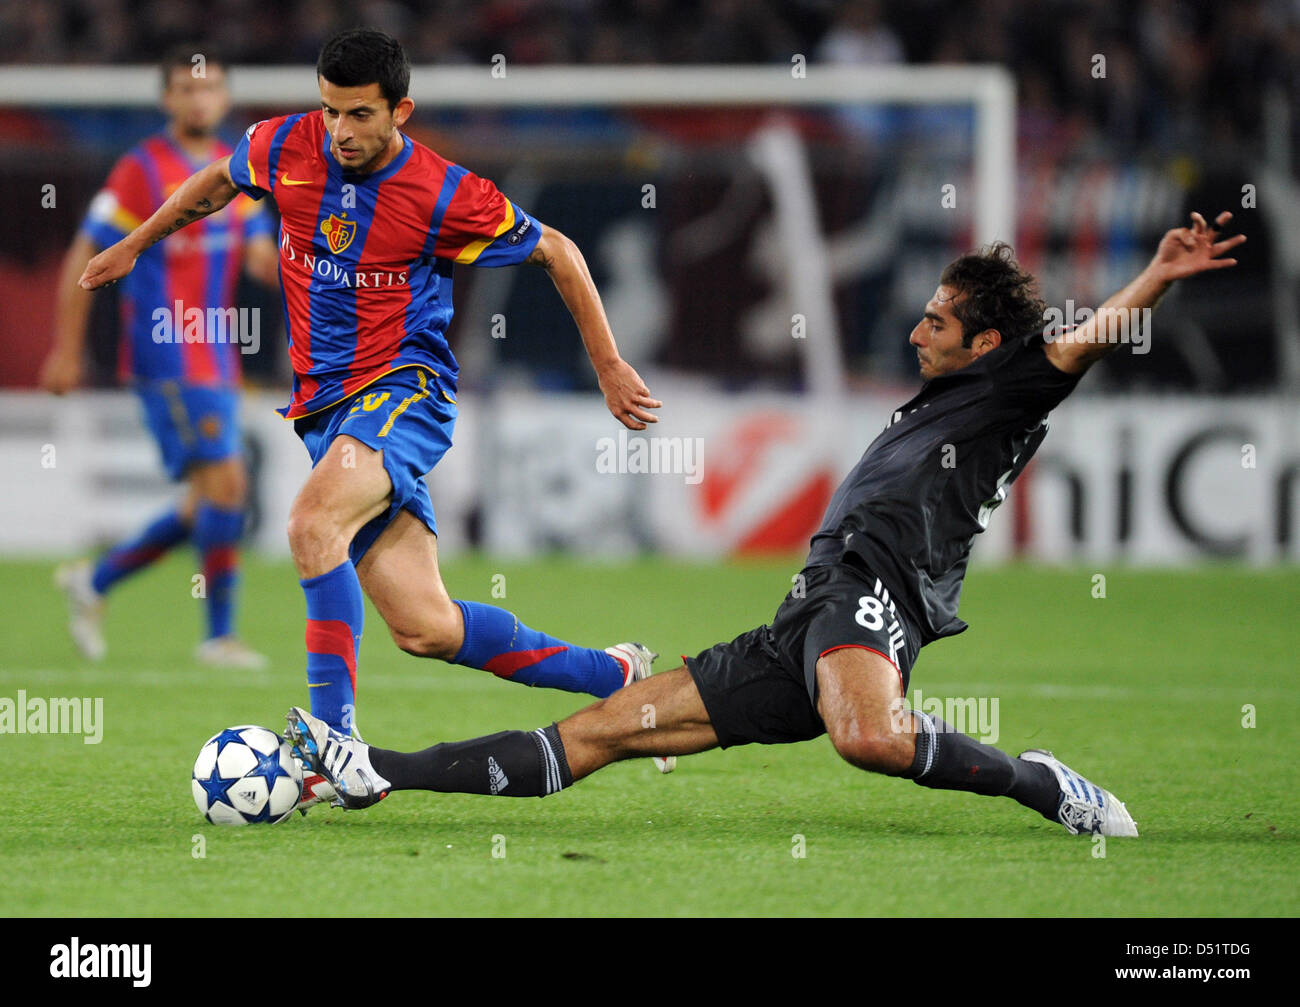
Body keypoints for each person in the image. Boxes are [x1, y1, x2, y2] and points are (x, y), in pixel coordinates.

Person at [284, 211, 1246, 835]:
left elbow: (1080, 346)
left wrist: (1156, 277)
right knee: (600, 735)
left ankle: (1043, 785)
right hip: (810, 612)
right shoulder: (939, 395)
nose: (917, 330)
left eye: (938, 323)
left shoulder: (1009, 390)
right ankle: (372, 768)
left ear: (987, 344)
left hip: (873, 595)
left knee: (868, 737)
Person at [78, 28, 671, 808]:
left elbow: (558, 250)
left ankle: (334, 750)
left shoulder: (444, 192)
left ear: (401, 110)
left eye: (359, 115)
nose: (341, 132)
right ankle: (623, 675)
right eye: (330, 112)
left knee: (309, 523)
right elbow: (215, 183)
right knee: (425, 627)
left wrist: (607, 364)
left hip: (403, 392)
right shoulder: (286, 144)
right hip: (327, 411)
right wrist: (137, 242)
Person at [45, 47, 279, 669]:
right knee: (228, 482)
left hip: (219, 351)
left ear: (226, 98)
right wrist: (66, 349)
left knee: (210, 499)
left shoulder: (239, 169)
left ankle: (95, 581)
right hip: (165, 347)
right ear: (167, 99)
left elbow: (259, 254)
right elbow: (82, 255)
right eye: (185, 88)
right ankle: (218, 636)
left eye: (209, 88)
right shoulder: (140, 169)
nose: (199, 99)